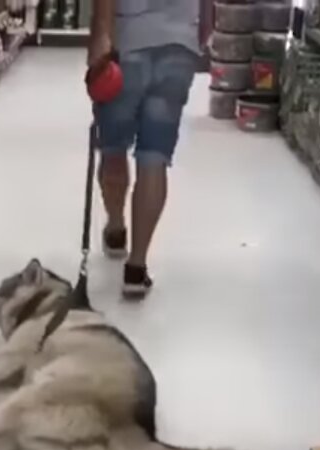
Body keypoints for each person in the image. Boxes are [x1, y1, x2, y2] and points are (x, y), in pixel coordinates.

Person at [88, 0, 200, 298]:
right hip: (179, 47)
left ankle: (115, 228)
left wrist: (100, 37)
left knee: (113, 148)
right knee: (154, 157)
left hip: (127, 46)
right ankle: (136, 267)